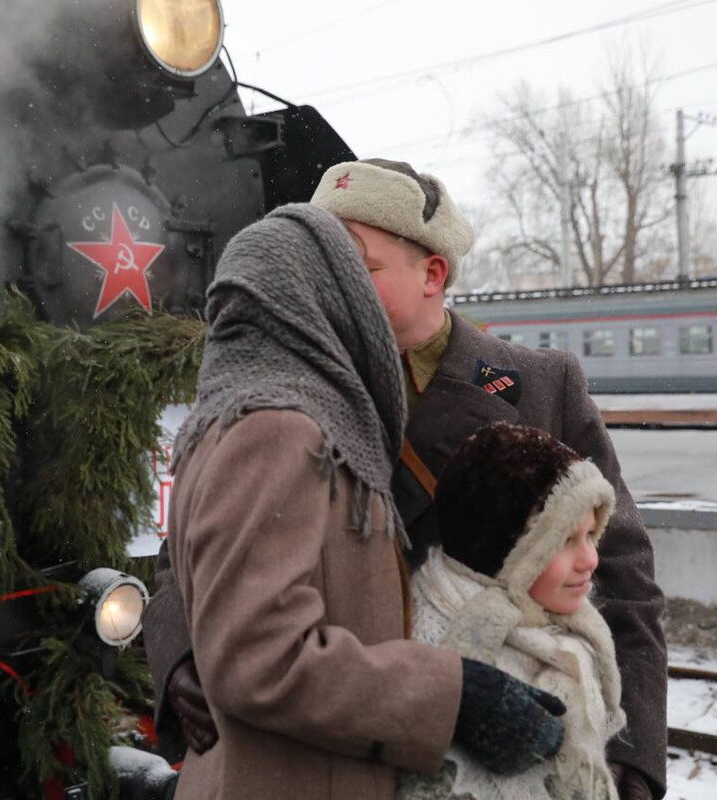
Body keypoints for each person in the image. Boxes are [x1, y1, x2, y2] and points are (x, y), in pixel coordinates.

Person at [143, 159, 667, 799]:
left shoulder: (540, 387)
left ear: (434, 273)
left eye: (356, 263)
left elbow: (624, 575)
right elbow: (191, 551)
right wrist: (180, 661)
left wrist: (633, 760)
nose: (327, 277)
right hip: (328, 746)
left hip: (511, 751)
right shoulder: (289, 392)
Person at [399, 421, 628, 800]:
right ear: (504, 553)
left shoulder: (564, 630)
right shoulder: (436, 643)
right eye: (565, 540)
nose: (590, 559)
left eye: (591, 534)